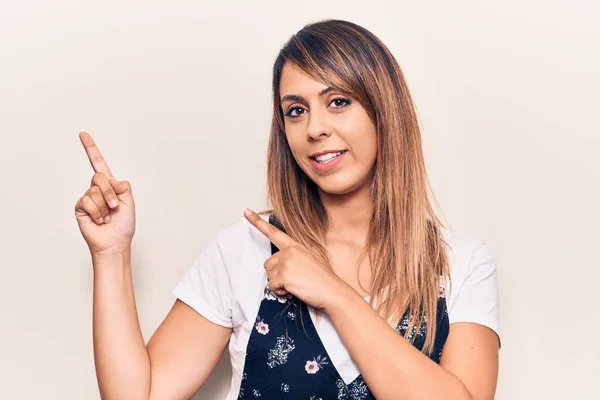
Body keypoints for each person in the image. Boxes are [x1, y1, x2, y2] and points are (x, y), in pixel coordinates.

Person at [74, 19, 500, 400]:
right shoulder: (245, 250)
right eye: (296, 111)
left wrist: (333, 293)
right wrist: (110, 255)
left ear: (383, 110)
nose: (314, 128)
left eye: (338, 102)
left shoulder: (460, 264)